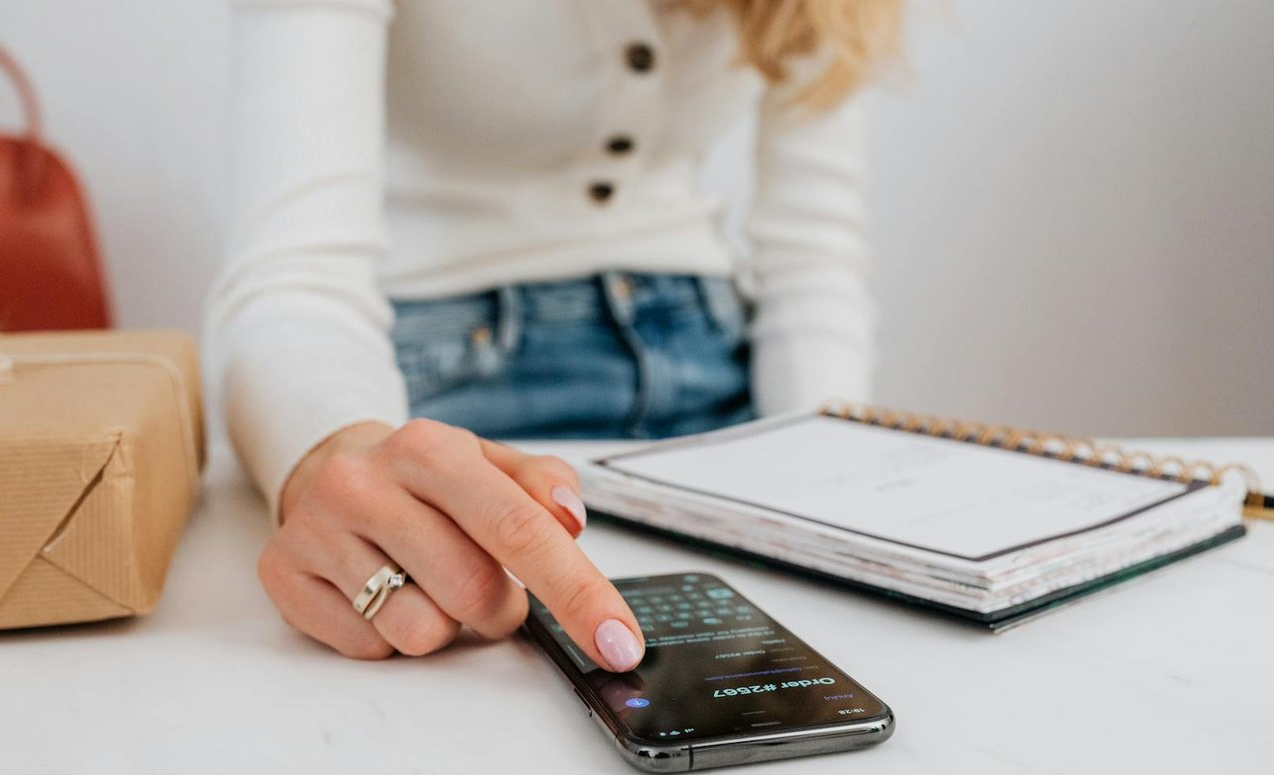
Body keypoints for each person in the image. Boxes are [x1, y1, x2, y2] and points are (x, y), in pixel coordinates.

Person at [208, 0, 902, 672]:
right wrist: (336, 447)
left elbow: (816, 252)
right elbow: (293, 269)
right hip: (442, 391)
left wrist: (831, 474)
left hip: (718, 377)